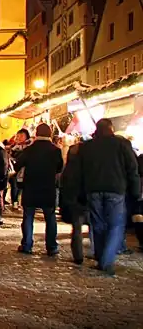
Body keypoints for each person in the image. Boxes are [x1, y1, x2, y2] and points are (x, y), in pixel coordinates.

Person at [75, 118, 140, 275]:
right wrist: (136, 192)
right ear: (111, 129)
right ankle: (106, 260)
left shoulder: (87, 147)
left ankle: (100, 256)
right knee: (115, 225)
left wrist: (80, 193)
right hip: (116, 190)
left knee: (97, 224)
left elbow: (79, 171)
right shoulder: (122, 144)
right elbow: (132, 168)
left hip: (93, 190)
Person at [15, 123, 63, 256]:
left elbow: (18, 164)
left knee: (28, 217)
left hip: (30, 187)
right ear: (50, 134)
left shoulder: (30, 150)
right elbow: (59, 168)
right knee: (50, 217)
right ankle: (51, 246)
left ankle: (27, 245)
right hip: (48, 188)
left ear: (36, 133)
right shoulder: (56, 150)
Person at [60, 138, 88, 265]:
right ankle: (98, 253)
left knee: (77, 229)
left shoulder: (68, 168)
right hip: (86, 200)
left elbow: (64, 186)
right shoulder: (88, 166)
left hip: (74, 202)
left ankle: (78, 255)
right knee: (95, 228)